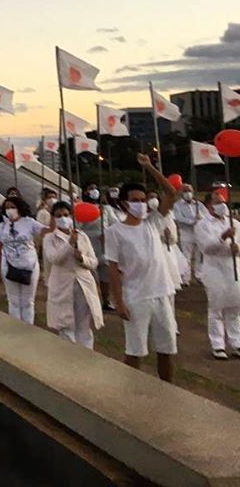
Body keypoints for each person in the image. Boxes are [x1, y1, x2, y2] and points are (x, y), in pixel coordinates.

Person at [105, 154, 179, 382]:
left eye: (143, 199)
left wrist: (149, 167)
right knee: (135, 351)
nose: (140, 204)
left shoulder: (152, 222)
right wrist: (119, 302)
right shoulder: (115, 232)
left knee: (167, 349)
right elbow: (113, 269)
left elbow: (171, 193)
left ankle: (167, 390)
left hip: (161, 294)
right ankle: (132, 392)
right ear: (124, 203)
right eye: (135, 200)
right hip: (136, 297)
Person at [44, 201, 103, 349]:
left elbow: (93, 262)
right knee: (66, 324)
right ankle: (68, 355)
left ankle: (85, 354)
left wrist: (82, 258)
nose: (63, 218)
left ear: (71, 216)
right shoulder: (49, 238)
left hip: (83, 283)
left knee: (83, 323)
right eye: (58, 216)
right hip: (62, 285)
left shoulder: (82, 236)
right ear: (53, 218)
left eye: (65, 215)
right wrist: (69, 244)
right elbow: (54, 258)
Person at [194, 191, 240, 359]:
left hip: (233, 267)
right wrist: (223, 238)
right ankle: (218, 345)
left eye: (223, 202)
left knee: (235, 307)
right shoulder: (202, 225)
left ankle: (236, 342)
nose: (222, 205)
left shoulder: (234, 223)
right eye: (218, 202)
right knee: (217, 307)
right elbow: (206, 247)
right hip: (214, 268)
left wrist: (237, 249)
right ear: (209, 206)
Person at [0, 196, 46, 324]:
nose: (10, 210)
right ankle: (15, 326)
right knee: (13, 301)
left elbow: (46, 231)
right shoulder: (2, 226)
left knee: (28, 301)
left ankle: (28, 326)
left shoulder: (29, 222)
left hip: (29, 266)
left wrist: (55, 217)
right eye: (7, 208)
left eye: (13, 207)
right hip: (9, 266)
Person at [173, 184, 208, 282]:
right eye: (185, 191)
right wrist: (192, 221)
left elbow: (206, 215)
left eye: (189, 191)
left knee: (199, 255)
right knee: (186, 256)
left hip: (199, 232)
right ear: (181, 193)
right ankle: (186, 278)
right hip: (186, 233)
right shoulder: (177, 205)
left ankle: (199, 275)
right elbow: (179, 218)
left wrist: (201, 218)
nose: (187, 193)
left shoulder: (198, 204)